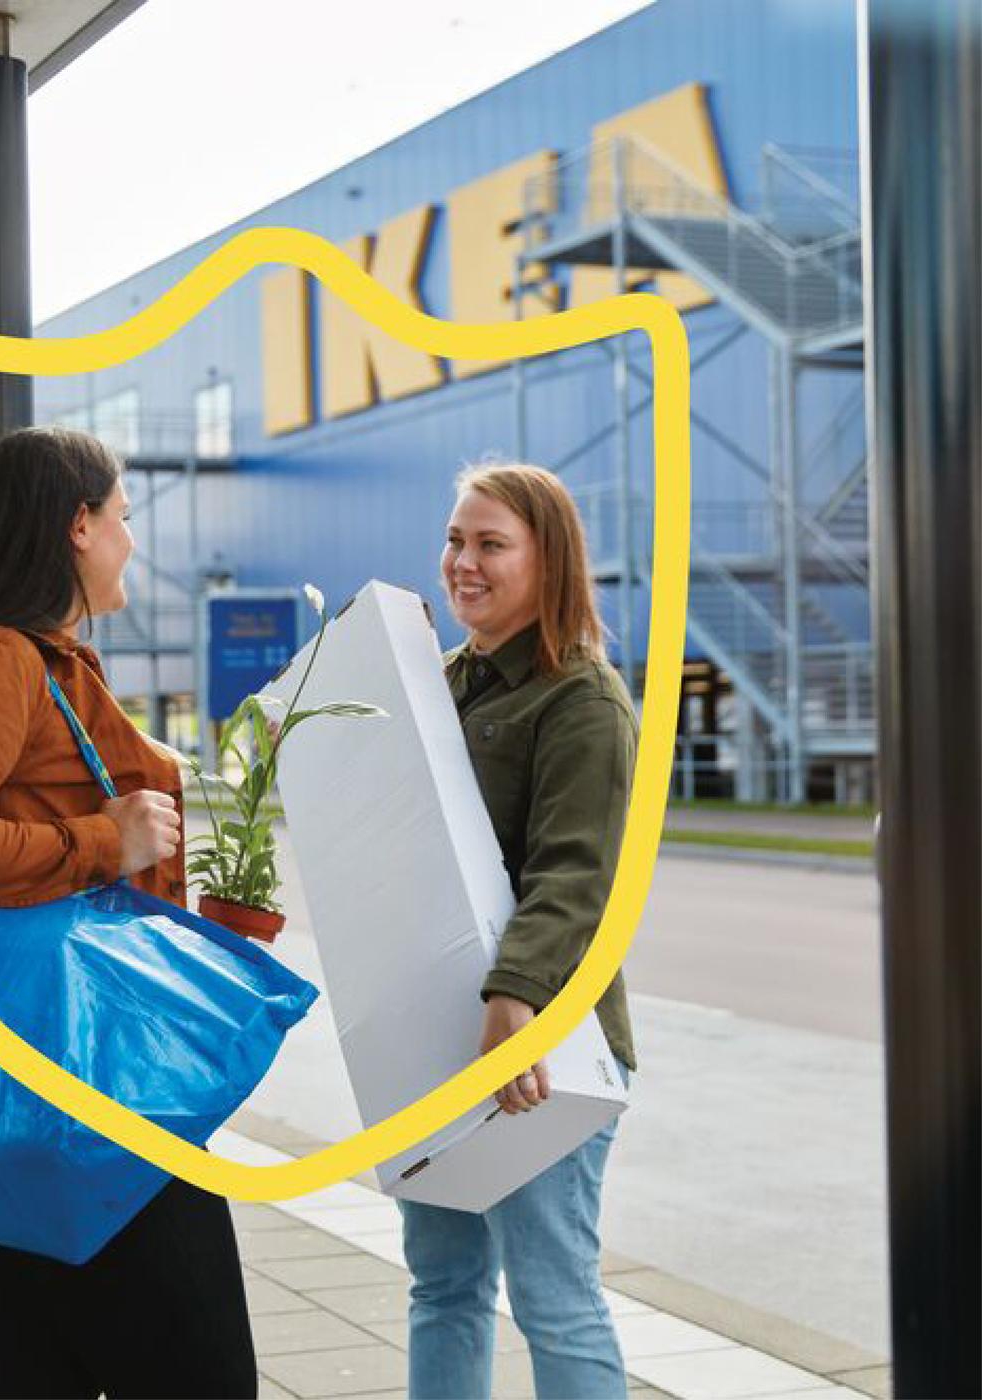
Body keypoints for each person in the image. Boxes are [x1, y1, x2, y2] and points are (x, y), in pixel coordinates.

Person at [0, 426, 257, 1399]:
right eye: (124, 518)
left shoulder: (50, 662)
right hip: (81, 1099)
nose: (132, 541)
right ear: (76, 524)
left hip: (66, 1082)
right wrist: (103, 840)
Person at [399, 463, 638, 1400]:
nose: (462, 561)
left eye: (490, 544)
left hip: (539, 1044)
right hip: (436, 1041)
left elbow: (575, 877)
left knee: (554, 1300)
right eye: (456, 539)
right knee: (444, 1286)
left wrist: (516, 1003)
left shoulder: (581, 700)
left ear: (551, 562)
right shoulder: (435, 684)